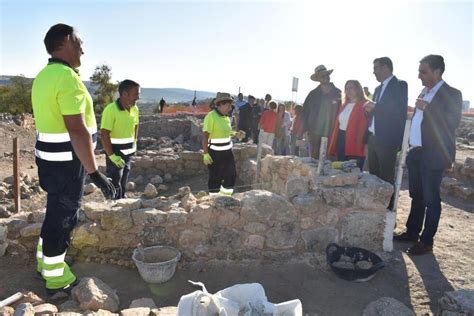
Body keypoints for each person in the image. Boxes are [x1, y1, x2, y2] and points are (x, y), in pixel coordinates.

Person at [31, 23, 115, 295]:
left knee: (55, 210)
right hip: (67, 161)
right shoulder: (67, 78)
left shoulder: (44, 75)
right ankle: (57, 278)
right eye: (79, 41)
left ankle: (45, 263)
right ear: (66, 41)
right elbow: (76, 129)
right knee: (65, 215)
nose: (83, 47)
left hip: (48, 158)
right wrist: (94, 172)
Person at [394, 55, 462, 255]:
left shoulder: (452, 93)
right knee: (417, 196)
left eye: (423, 72)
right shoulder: (424, 92)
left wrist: (428, 108)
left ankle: (426, 241)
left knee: (431, 199)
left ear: (437, 71)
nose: (419, 76)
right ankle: (412, 232)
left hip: (434, 155)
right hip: (416, 152)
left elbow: (452, 122)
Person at [363, 57, 408, 210]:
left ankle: (388, 212)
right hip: (373, 138)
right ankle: (376, 209)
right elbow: (377, 113)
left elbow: (397, 110)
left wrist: (375, 106)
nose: (373, 71)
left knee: (387, 178)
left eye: (376, 68)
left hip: (388, 140)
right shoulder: (377, 89)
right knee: (373, 176)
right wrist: (368, 111)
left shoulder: (400, 85)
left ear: (386, 68)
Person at [100, 80, 140, 199]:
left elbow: (136, 125)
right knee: (114, 183)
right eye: (136, 94)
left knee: (123, 181)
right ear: (125, 94)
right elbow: (104, 134)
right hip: (115, 153)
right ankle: (112, 206)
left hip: (128, 153)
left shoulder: (135, 109)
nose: (138, 97)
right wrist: (111, 155)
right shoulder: (111, 110)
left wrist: (135, 141)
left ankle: (121, 201)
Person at [201, 92, 244, 195]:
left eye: (230, 106)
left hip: (228, 152)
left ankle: (225, 197)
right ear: (220, 104)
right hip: (215, 153)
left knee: (231, 175)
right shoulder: (211, 116)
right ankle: (214, 200)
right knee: (216, 177)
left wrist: (236, 134)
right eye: (228, 106)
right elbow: (205, 136)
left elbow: (227, 132)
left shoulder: (226, 117)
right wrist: (206, 154)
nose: (230, 108)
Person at [302, 65, 341, 159]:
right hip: (315, 133)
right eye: (322, 76)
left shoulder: (338, 93)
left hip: (332, 133)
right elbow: (304, 113)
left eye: (326, 75)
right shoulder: (312, 94)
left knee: (330, 160)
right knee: (314, 160)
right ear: (318, 79)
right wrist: (306, 130)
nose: (325, 77)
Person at [328, 80, 369, 169]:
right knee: (341, 168)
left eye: (351, 87)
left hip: (357, 142)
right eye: (346, 88)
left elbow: (368, 126)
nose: (348, 90)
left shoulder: (365, 104)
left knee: (353, 169)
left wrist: (366, 143)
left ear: (358, 89)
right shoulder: (343, 105)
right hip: (341, 139)